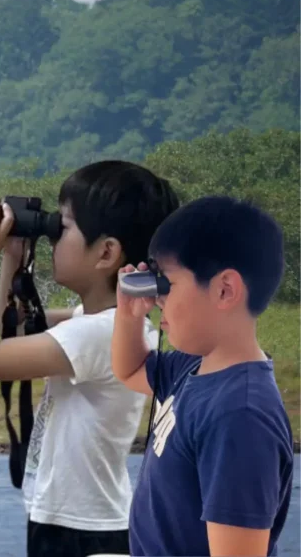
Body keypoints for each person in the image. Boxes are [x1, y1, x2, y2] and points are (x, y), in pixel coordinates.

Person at [0, 160, 180, 557]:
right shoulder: (102, 323)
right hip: (79, 522)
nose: (53, 236)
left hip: (82, 532)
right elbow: (18, 327)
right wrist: (13, 256)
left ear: (106, 252)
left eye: (63, 227)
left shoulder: (99, 334)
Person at [111, 195, 294, 556]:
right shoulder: (193, 366)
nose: (158, 298)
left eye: (167, 285)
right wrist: (128, 313)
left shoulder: (240, 416)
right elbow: (130, 369)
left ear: (224, 290)